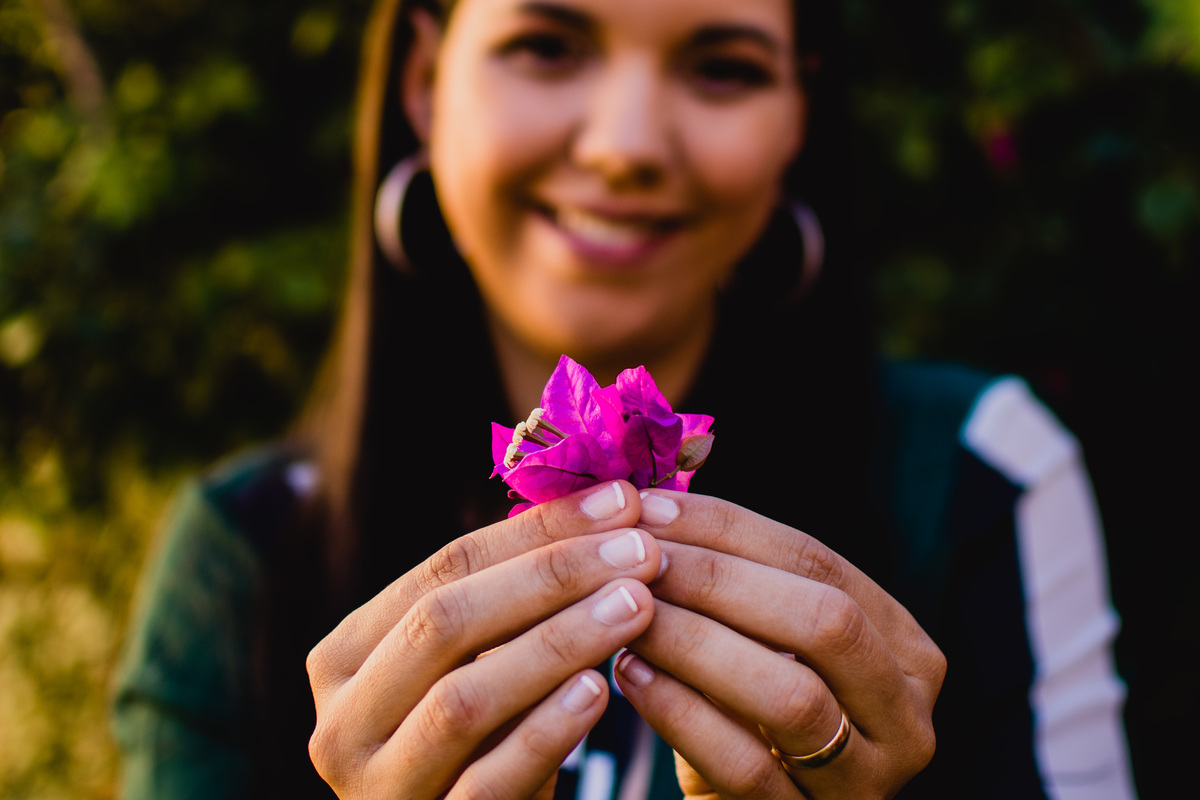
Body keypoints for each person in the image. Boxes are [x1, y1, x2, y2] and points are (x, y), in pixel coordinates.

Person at [111, 0, 1138, 798]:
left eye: (723, 67)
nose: (626, 146)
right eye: (547, 46)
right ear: (425, 80)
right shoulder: (244, 556)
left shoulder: (982, 473)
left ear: (798, 116)